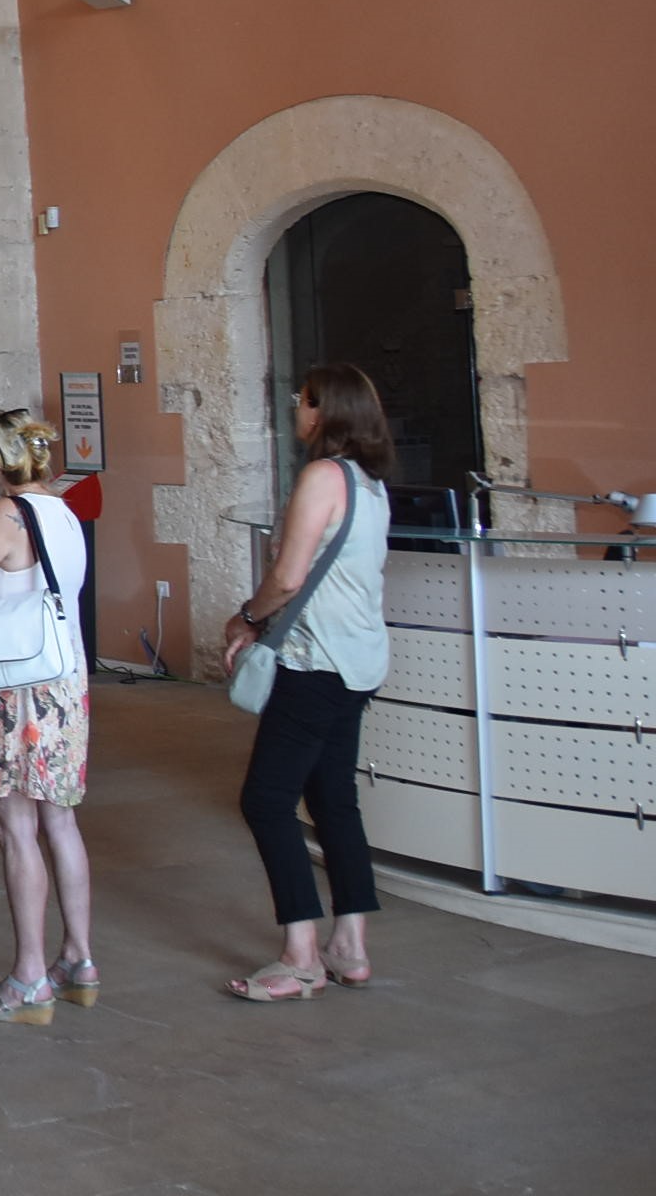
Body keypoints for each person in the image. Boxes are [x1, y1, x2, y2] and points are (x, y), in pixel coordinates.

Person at [223, 362, 393, 1003]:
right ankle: (348, 944)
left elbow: (290, 577)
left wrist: (244, 617)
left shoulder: (322, 477)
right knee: (332, 799)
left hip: (315, 664)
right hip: (357, 662)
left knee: (266, 800)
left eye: (303, 399)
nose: (296, 407)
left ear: (323, 412)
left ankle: (300, 956)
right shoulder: (370, 482)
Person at [0, 409, 96, 1024]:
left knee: (15, 827)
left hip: (14, 688)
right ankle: (79, 959)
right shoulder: (64, 512)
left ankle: (30, 975)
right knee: (60, 823)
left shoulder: (5, 514)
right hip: (65, 681)